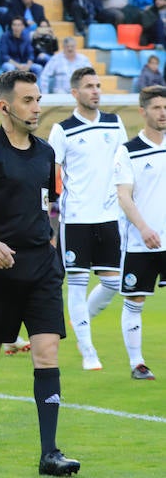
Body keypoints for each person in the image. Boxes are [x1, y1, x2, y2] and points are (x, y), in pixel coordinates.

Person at [0, 70, 80, 476]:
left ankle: (49, 454)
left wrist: (50, 243)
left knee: (46, 353)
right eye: (27, 100)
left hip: (41, 267)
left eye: (38, 98)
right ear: (5, 106)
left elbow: (45, 205)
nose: (36, 107)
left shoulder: (45, 153)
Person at [48, 67, 127, 371]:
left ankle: (78, 321)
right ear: (74, 93)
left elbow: (124, 165)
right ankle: (87, 349)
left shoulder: (114, 123)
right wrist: (47, 217)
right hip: (77, 218)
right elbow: (51, 176)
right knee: (77, 285)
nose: (95, 91)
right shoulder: (62, 129)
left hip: (110, 218)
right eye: (89, 86)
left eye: (98, 85)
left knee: (113, 284)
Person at [113, 85, 166, 381]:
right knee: (135, 301)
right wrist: (143, 227)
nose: (163, 113)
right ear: (143, 111)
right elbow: (124, 196)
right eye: (157, 107)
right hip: (141, 242)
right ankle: (138, 363)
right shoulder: (128, 151)